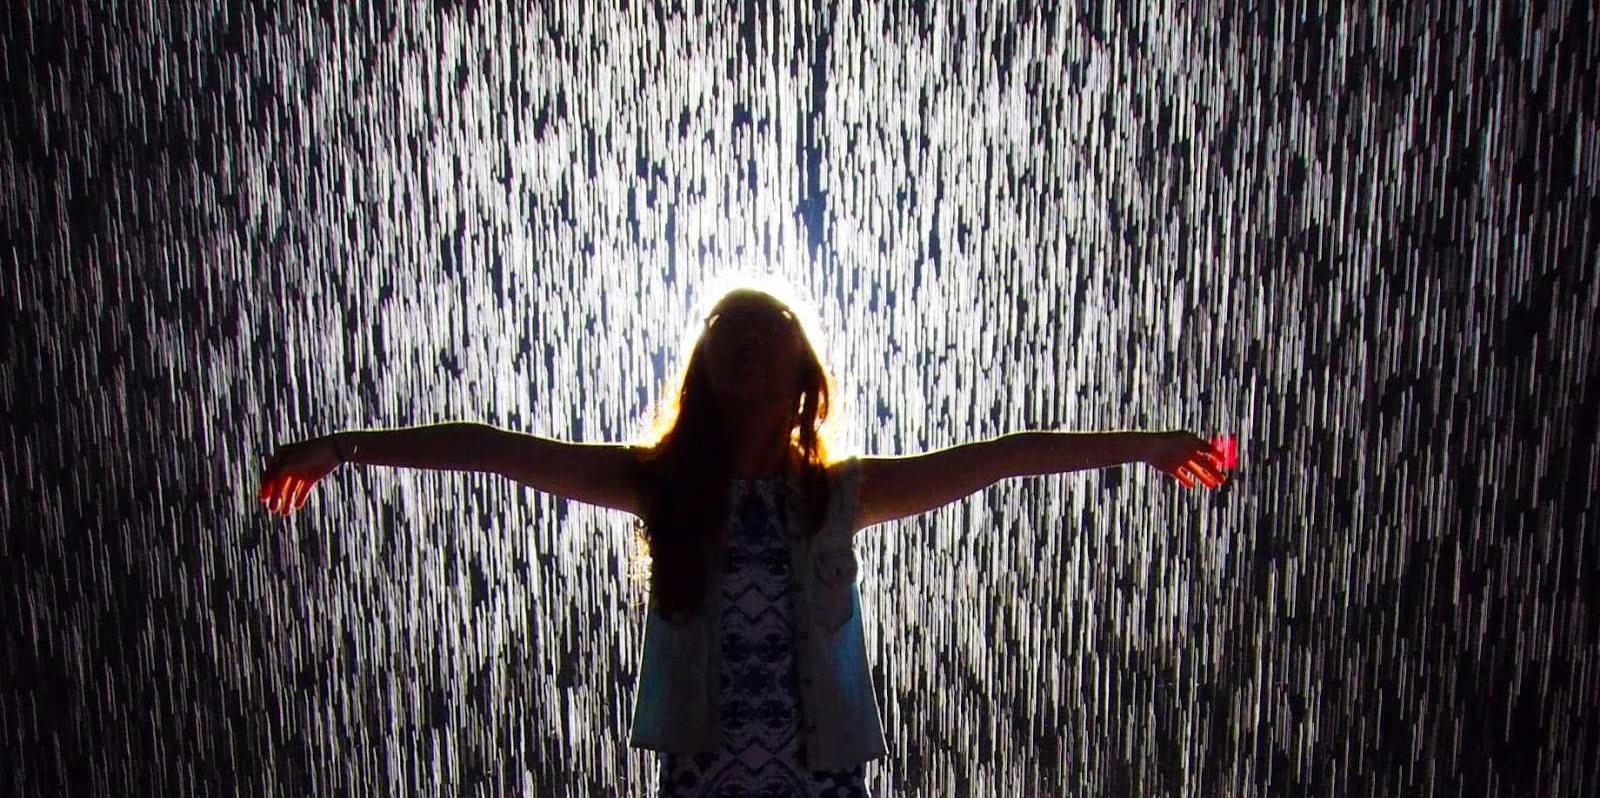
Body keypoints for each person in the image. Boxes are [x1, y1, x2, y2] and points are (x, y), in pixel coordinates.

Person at [259, 283, 1229, 796]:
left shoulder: (836, 495)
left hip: (818, 776)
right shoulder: (660, 485)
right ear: (704, 365)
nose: (750, 335)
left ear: (804, 370)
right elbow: (494, 450)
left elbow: (1003, 457)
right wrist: (344, 447)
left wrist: (1147, 444)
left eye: (770, 324)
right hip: (705, 773)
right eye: (730, 324)